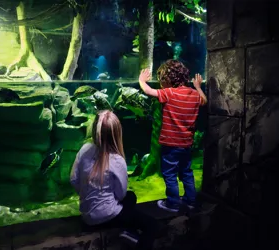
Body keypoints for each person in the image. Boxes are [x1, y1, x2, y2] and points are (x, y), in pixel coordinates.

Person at [70, 110, 158, 249]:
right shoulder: (117, 160)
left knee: (130, 198)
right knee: (152, 225)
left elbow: (74, 180)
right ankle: (130, 233)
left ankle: (128, 231)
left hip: (86, 216)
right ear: (117, 133)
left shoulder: (84, 149)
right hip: (107, 217)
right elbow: (120, 194)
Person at [138, 59, 207, 213]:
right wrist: (197, 87)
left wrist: (141, 81)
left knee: (169, 174)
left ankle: (173, 203)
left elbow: (149, 91)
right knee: (186, 173)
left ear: (167, 79)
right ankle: (191, 201)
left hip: (170, 145)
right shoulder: (195, 95)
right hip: (186, 145)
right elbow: (204, 100)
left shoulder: (169, 93)